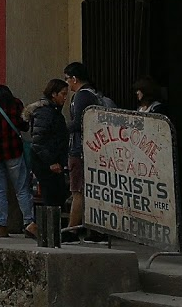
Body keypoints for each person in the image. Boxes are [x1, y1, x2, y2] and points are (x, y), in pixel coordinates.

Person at [0, 84, 36, 238]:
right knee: (22, 189)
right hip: (14, 153)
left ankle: (2, 226)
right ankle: (29, 223)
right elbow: (24, 126)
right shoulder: (16, 104)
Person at [63, 61, 107, 242]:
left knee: (77, 190)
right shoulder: (94, 94)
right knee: (91, 191)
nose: (67, 84)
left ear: (74, 78)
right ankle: (94, 230)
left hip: (80, 149)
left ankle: (72, 230)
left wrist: (61, 129)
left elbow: (80, 123)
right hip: (93, 148)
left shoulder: (81, 96)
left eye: (67, 79)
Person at [23, 79, 70, 210]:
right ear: (54, 94)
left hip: (54, 161)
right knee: (51, 199)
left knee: (57, 197)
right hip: (46, 163)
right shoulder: (45, 112)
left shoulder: (53, 111)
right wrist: (51, 162)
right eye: (63, 94)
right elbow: (39, 141)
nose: (65, 98)